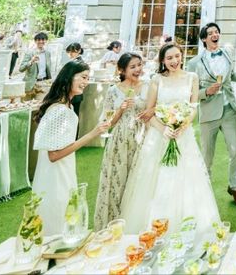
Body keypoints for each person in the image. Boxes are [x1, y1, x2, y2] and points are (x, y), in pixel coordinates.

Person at [121, 43, 220, 238]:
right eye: (169, 58)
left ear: (182, 56)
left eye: (177, 56)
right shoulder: (157, 80)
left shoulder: (192, 77)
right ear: (163, 61)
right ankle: (154, 230)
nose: (174, 61)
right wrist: (164, 129)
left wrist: (183, 125)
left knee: (186, 181)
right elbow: (148, 112)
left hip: (184, 135)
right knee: (156, 182)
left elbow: (193, 108)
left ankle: (187, 230)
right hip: (159, 136)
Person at [32, 60, 108, 236]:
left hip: (63, 170)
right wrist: (92, 134)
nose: (86, 82)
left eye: (87, 78)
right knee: (58, 219)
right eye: (83, 77)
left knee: (66, 216)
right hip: (55, 176)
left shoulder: (68, 106)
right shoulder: (59, 110)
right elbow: (54, 155)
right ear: (69, 77)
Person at [188, 22, 236, 206]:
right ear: (204, 39)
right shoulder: (194, 63)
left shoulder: (227, 54)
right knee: (207, 156)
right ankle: (204, 190)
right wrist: (206, 92)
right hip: (208, 114)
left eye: (216, 32)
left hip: (230, 109)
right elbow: (190, 92)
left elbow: (232, 76)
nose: (215, 35)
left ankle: (234, 187)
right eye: (210, 33)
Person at [94, 52, 149, 229]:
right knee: (118, 181)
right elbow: (107, 122)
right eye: (132, 67)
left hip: (143, 138)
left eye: (139, 65)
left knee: (139, 181)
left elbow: (152, 111)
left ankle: (136, 224)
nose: (138, 69)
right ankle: (115, 224)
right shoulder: (113, 91)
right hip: (120, 140)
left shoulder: (148, 86)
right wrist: (121, 108)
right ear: (122, 70)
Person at [63, 43, 85, 118]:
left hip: (74, 93)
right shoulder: (76, 62)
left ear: (79, 51)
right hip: (74, 93)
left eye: (73, 51)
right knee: (73, 116)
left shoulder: (78, 63)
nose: (70, 53)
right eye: (69, 51)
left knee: (72, 116)